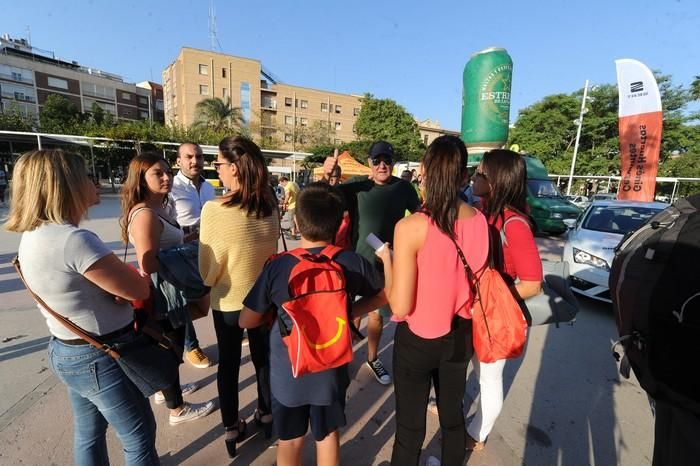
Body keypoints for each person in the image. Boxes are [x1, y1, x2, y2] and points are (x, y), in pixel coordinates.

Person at [6, 149, 159, 465]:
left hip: (68, 348)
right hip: (100, 353)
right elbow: (139, 287)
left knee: (89, 432)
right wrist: (127, 285)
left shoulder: (35, 234)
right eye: (87, 175)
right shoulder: (74, 240)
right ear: (67, 184)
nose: (95, 182)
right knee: (138, 436)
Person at [240, 182, 386, 466]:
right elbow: (384, 294)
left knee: (291, 439)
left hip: (289, 369)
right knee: (328, 435)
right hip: (330, 369)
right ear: (340, 222)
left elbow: (247, 319)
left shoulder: (279, 265)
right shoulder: (351, 261)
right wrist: (349, 310)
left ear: (296, 221)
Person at [375, 136, 488, 466]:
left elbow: (399, 307)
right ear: (462, 176)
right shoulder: (480, 222)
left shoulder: (411, 227)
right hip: (461, 334)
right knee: (453, 418)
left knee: (410, 429)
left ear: (424, 171)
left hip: (418, 341)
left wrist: (387, 261)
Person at [198, 136, 280, 458]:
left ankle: (232, 427)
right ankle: (267, 413)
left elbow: (208, 272)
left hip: (228, 303)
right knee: (263, 360)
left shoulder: (215, 209)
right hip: (262, 300)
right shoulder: (269, 205)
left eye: (218, 163)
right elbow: (271, 252)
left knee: (229, 364)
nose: (216, 169)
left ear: (233, 168)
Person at [120, 152, 214, 426]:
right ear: (141, 179)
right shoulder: (146, 214)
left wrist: (188, 237)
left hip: (168, 287)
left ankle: (167, 392)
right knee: (170, 346)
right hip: (163, 291)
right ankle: (178, 410)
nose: (166, 177)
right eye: (157, 174)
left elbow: (165, 243)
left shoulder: (159, 208)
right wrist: (186, 251)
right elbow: (147, 262)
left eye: (167, 172)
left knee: (169, 342)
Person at [322, 141, 420, 385]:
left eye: (387, 160)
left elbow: (420, 216)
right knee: (347, 313)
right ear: (369, 162)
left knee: (376, 315)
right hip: (355, 261)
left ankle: (372, 357)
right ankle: (343, 356)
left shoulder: (404, 188)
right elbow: (324, 202)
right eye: (377, 160)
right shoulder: (355, 186)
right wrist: (329, 178)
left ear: (393, 162)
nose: (382, 165)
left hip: (386, 262)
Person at [466, 149, 543, 451]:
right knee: (476, 367)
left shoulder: (514, 224)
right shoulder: (485, 213)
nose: (474, 176)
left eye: (481, 172)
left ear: (496, 180)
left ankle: (477, 434)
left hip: (496, 315)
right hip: (481, 308)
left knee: (489, 377)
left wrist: (491, 301)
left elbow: (534, 284)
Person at [169, 142, 215, 369]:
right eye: (188, 157)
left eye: (198, 156)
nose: (194, 161)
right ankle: (191, 346)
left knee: (215, 292)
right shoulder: (171, 186)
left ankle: (232, 330)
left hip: (209, 247)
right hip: (183, 249)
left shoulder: (209, 187)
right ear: (178, 161)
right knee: (184, 299)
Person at [280, 175, 300, 239]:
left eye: (282, 184)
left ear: (284, 181)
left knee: (291, 219)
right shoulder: (294, 183)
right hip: (298, 203)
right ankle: (298, 230)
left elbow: (287, 196)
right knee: (295, 218)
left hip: (292, 205)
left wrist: (284, 203)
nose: (282, 186)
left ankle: (293, 235)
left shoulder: (287, 186)